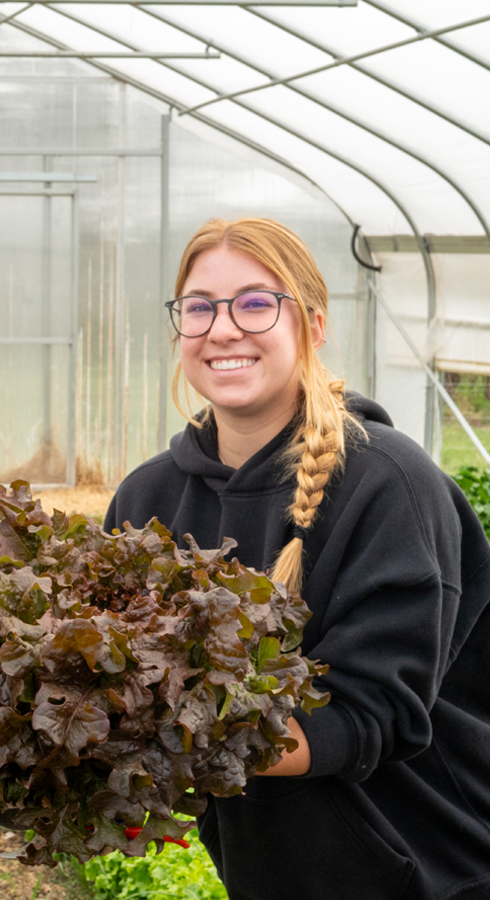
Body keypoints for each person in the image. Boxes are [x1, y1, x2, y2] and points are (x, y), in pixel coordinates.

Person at [104, 217, 490, 900]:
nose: (223, 329)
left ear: (311, 326)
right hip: (268, 873)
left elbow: (368, 720)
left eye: (255, 303)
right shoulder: (148, 496)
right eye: (199, 308)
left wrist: (172, 740)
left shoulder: (390, 485)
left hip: (429, 871)